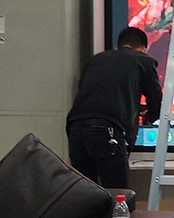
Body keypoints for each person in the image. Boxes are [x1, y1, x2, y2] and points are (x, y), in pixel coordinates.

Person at [67, 26, 163, 188]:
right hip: (106, 130)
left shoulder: (95, 60)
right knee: (117, 192)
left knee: (84, 192)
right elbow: (156, 99)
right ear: (143, 49)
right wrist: (150, 117)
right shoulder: (143, 60)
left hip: (75, 129)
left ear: (117, 46)